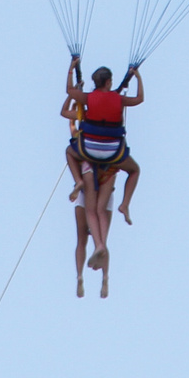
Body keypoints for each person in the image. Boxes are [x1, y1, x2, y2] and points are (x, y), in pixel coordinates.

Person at [61, 57, 142, 293]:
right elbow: (138, 99)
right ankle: (105, 272)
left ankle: (79, 277)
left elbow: (65, 107)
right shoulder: (116, 101)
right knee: (102, 219)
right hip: (110, 166)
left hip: (87, 164)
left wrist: (72, 74)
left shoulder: (84, 111)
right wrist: (136, 76)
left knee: (82, 232)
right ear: (108, 82)